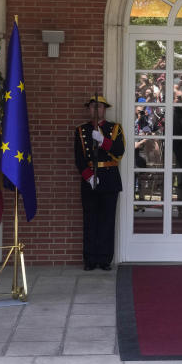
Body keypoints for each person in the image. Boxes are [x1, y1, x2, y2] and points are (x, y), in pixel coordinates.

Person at [74, 94, 124, 271]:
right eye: (93, 107)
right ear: (89, 109)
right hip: (90, 180)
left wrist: (103, 141)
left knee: (107, 221)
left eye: (100, 107)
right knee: (90, 220)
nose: (96, 110)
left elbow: (119, 151)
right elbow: (79, 158)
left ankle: (104, 259)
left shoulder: (114, 128)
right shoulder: (81, 130)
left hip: (109, 178)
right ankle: (90, 259)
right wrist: (89, 176)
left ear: (104, 109)